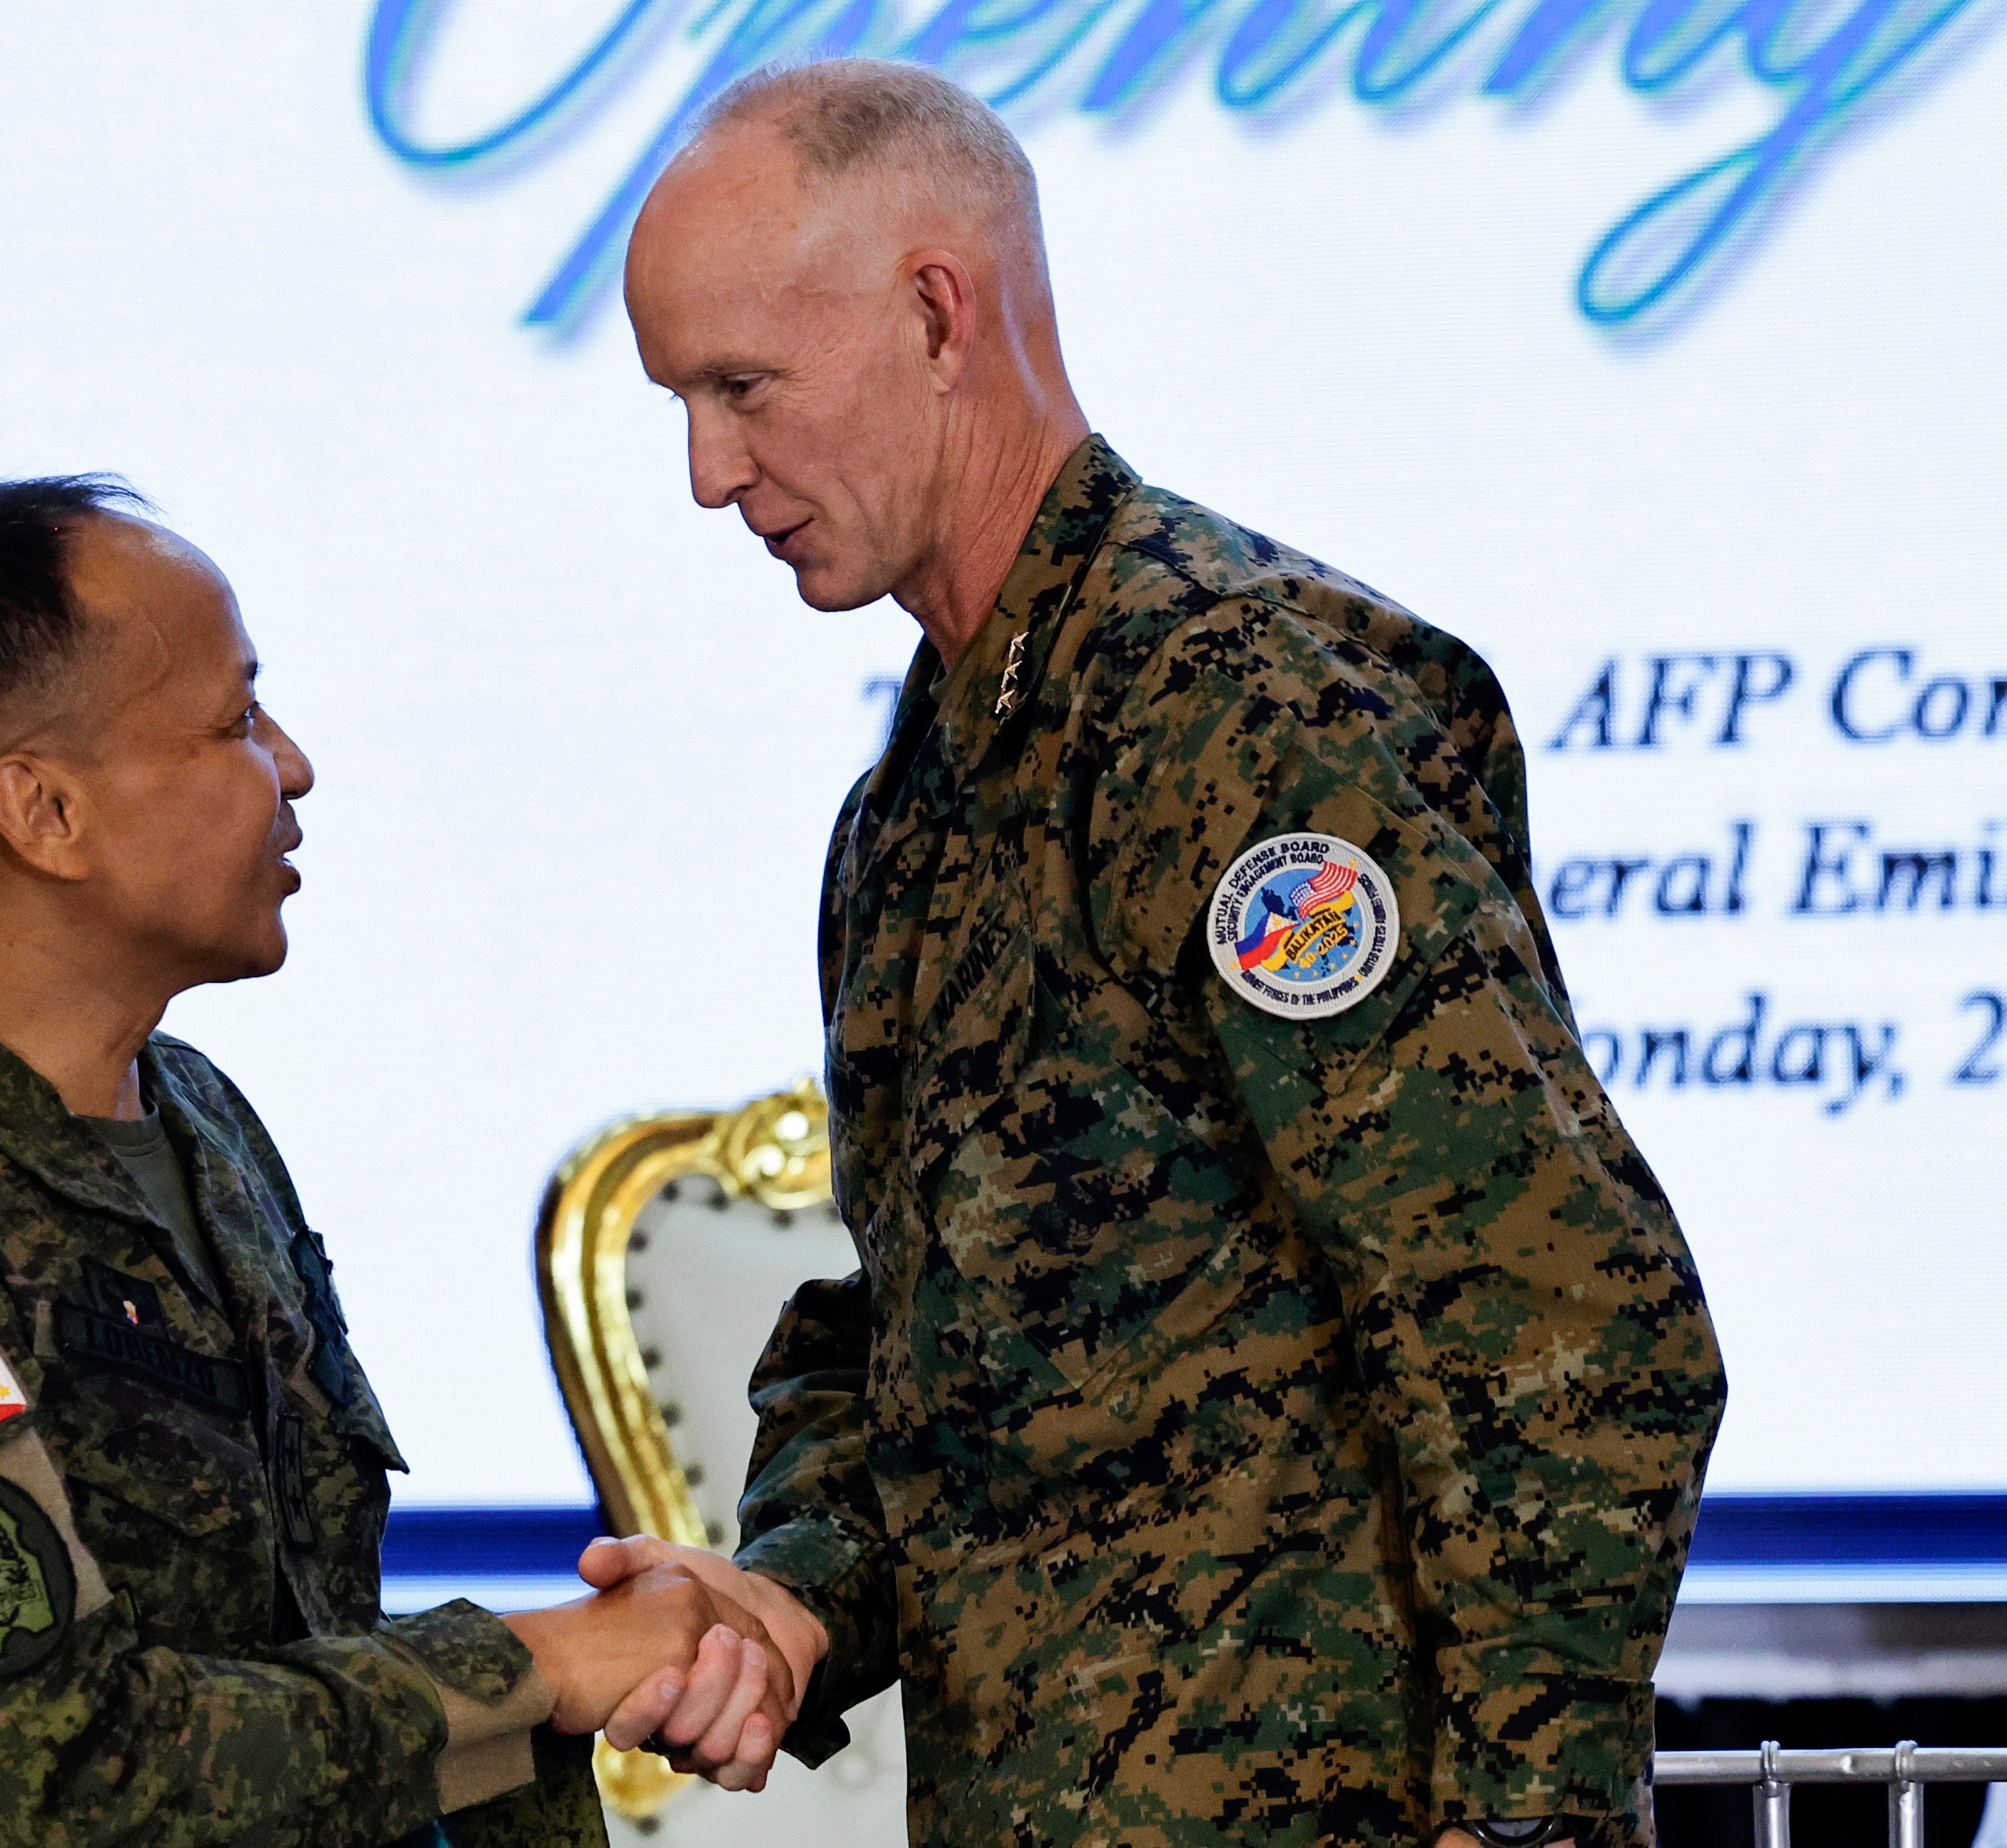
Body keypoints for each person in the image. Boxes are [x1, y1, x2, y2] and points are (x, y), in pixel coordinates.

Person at [585, 59, 1725, 1848]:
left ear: (936, 313)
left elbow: (1558, 1312)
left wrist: (1524, 1822)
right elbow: (940, 1351)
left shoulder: (1238, 715)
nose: (710, 471)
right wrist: (792, 1598)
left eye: (742, 388)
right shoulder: (918, 802)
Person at [0, 477, 793, 1847]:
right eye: (234, 720)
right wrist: (533, 1665)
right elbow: (56, 1773)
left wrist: (614, 1667)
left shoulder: (195, 1117)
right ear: (44, 813)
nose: (293, 763)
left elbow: (320, 1679)